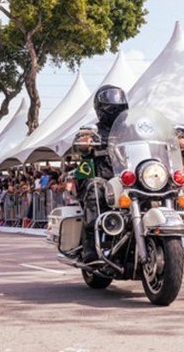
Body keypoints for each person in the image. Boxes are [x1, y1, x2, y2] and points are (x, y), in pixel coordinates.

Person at [73, 85, 129, 262]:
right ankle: (90, 244)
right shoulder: (94, 130)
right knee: (95, 189)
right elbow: (80, 143)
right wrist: (86, 141)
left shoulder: (130, 129)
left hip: (129, 179)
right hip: (104, 178)